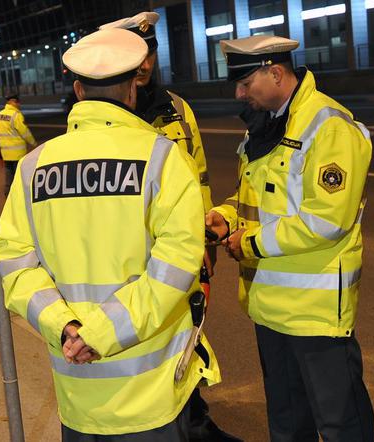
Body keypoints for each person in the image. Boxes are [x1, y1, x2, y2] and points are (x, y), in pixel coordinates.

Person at [0, 28, 220, 441]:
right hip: (150, 397)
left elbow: (14, 261)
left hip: (77, 390)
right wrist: (102, 333)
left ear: (78, 91)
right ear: (133, 89)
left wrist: (66, 328)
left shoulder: (32, 167)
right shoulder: (163, 160)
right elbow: (176, 267)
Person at [207, 35, 374, 441]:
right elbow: (249, 198)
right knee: (287, 423)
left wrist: (248, 243)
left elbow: (326, 220)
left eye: (246, 84)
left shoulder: (328, 125)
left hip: (316, 313)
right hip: (270, 307)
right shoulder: (262, 129)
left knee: (341, 425)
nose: (239, 93)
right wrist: (225, 218)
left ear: (276, 73)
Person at [99, 12, 236, 442]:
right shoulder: (103, 114)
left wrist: (206, 240)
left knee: (189, 335)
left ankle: (194, 419)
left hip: (180, 251)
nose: (145, 64)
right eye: (136, 54)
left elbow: (198, 177)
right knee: (142, 341)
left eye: (150, 53)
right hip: (131, 256)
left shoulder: (177, 108)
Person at [0, 93, 36, 196]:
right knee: (19, 175)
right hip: (18, 153)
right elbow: (24, 131)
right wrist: (33, 143)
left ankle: (8, 193)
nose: (19, 105)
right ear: (13, 102)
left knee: (9, 173)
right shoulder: (16, 115)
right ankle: (20, 195)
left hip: (5, 153)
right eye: (18, 102)